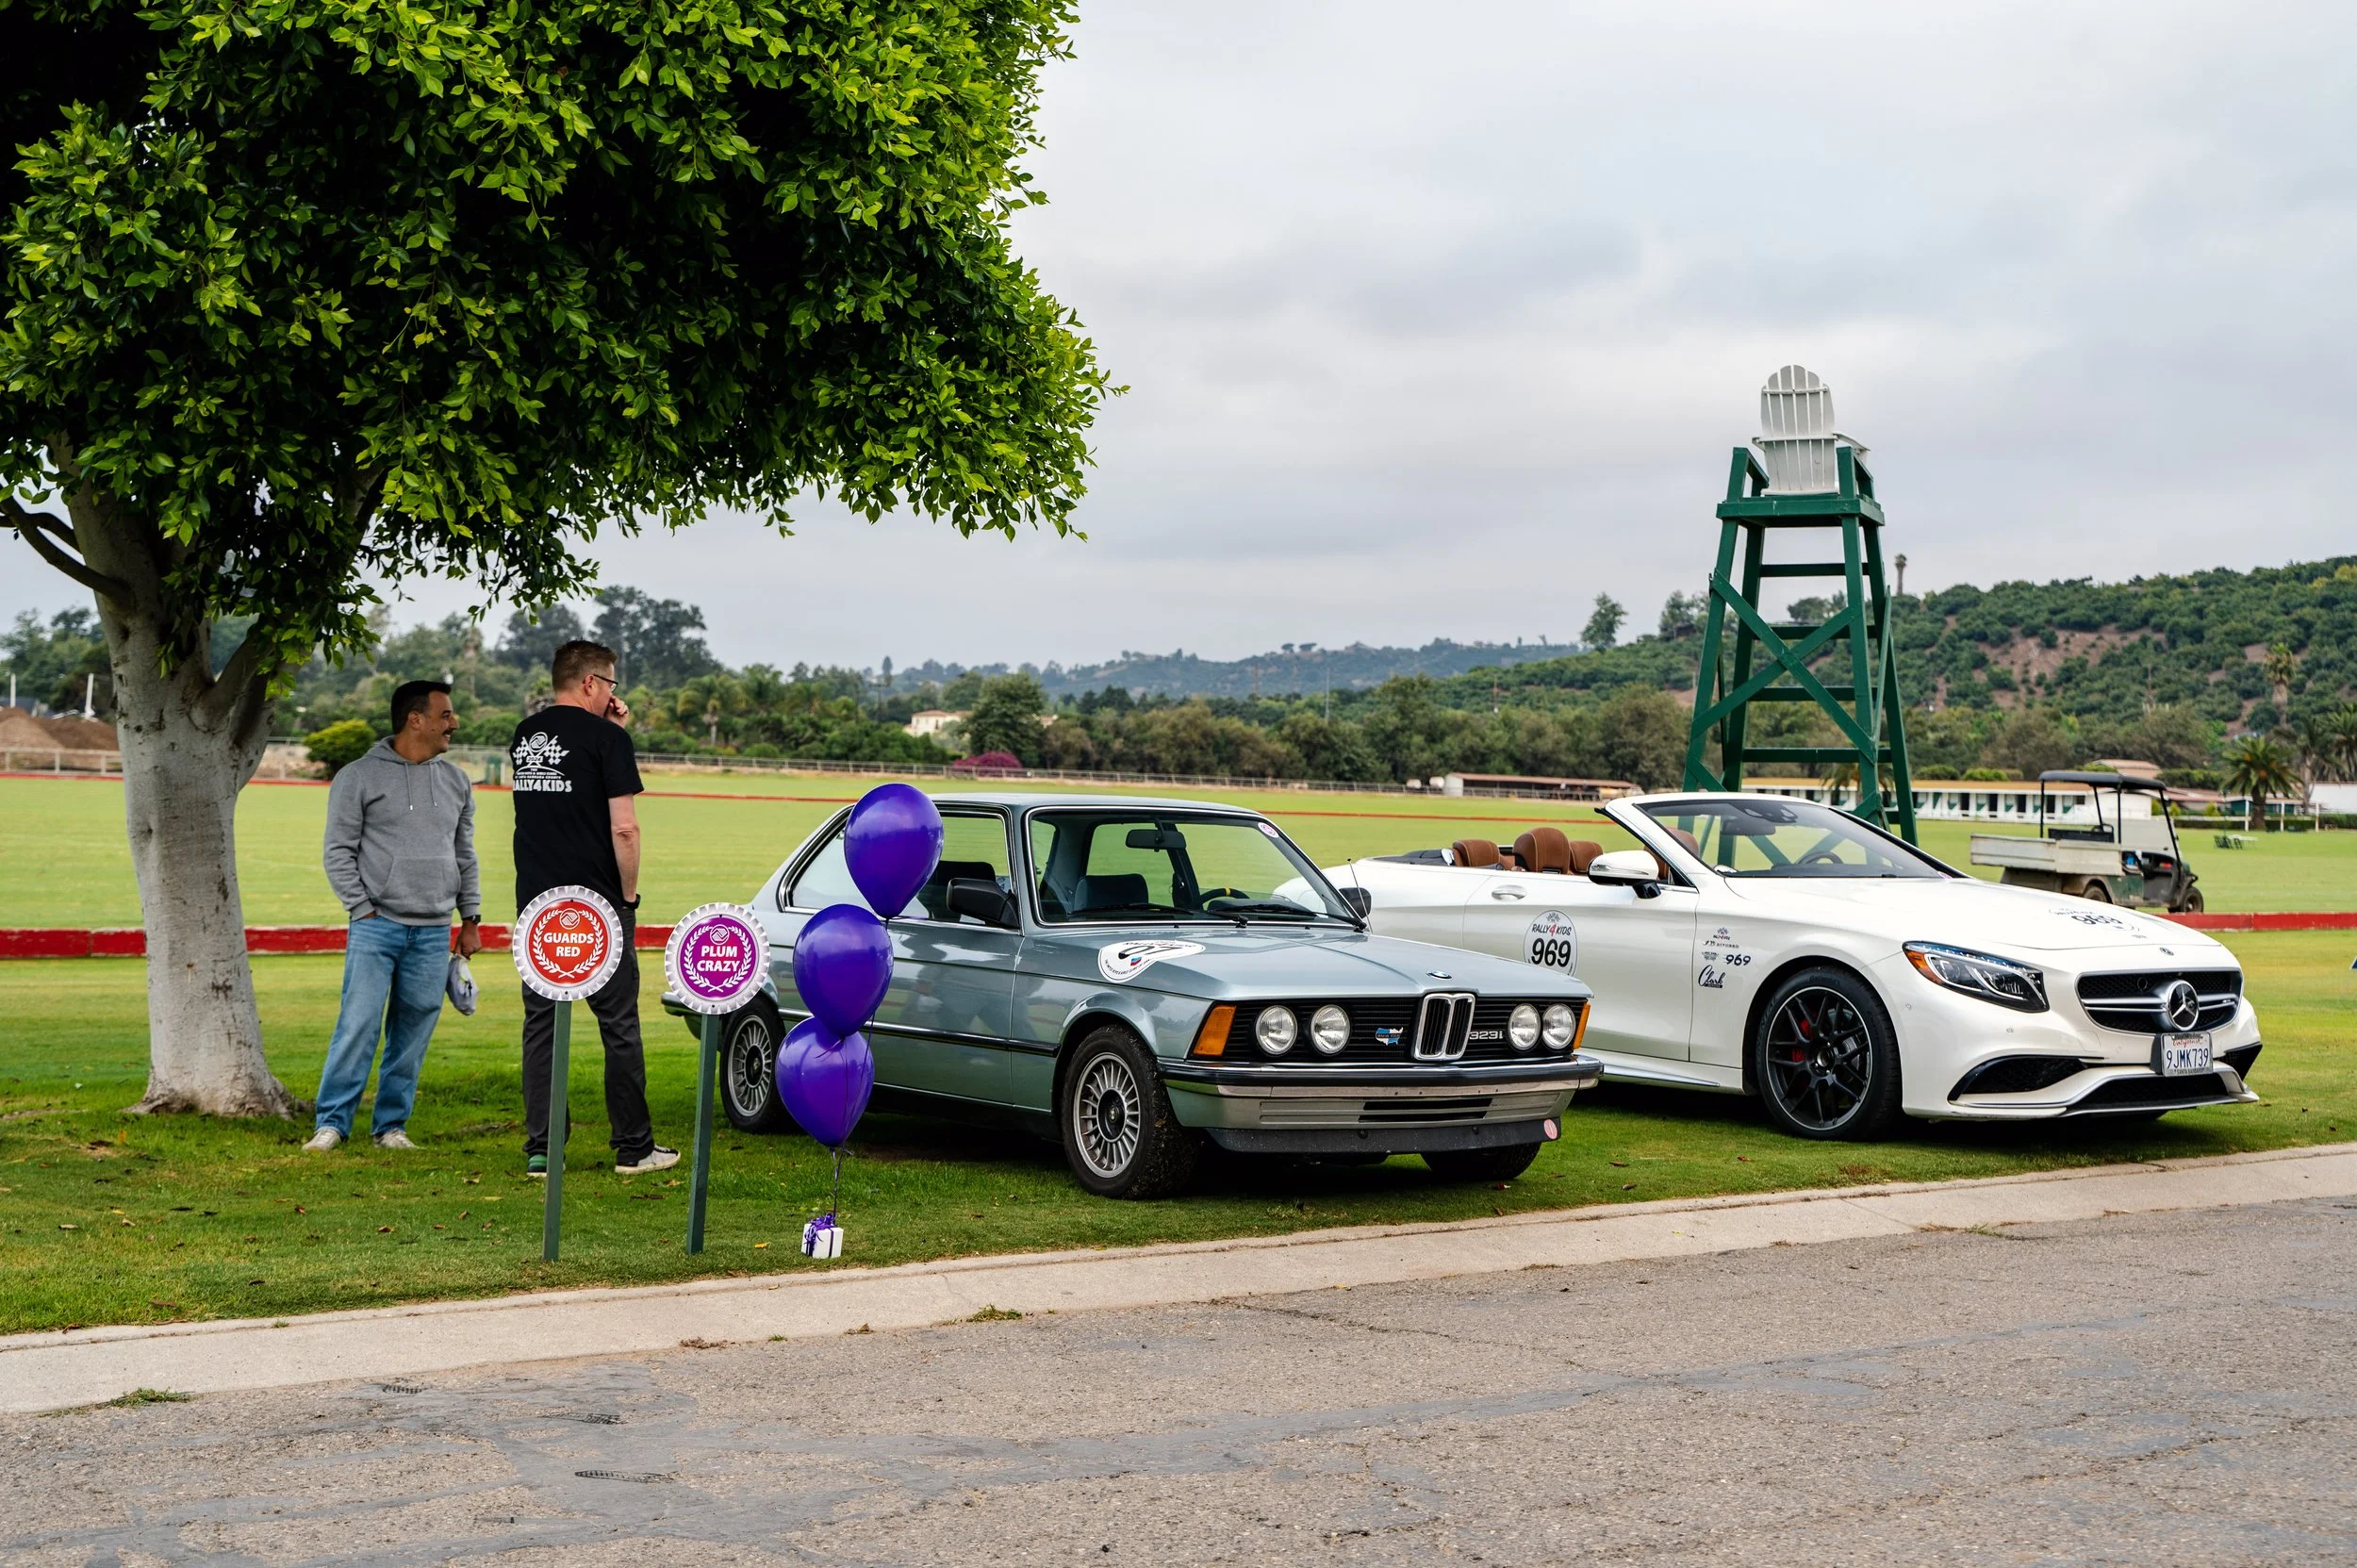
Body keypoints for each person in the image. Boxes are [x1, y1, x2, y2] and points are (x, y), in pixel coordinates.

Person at [510, 639, 678, 1176]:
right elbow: (623, 827)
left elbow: (562, 800)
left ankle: (542, 1149)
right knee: (619, 1024)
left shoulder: (525, 735)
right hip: (599, 904)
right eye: (610, 684)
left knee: (541, 1027)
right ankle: (634, 1147)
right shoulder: (607, 740)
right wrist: (629, 898)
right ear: (590, 684)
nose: (612, 693)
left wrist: (614, 733)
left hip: (538, 905)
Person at [307, 679, 483, 1151]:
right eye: (445, 715)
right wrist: (361, 909)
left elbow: (464, 853)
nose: (454, 724)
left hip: (433, 932)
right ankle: (332, 1124)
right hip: (375, 926)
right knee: (358, 1025)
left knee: (412, 1033)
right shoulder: (358, 776)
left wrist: (471, 918)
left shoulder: (456, 781)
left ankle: (390, 1127)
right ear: (415, 719)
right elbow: (337, 852)